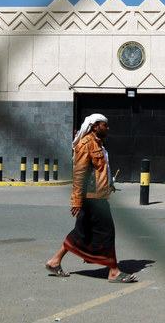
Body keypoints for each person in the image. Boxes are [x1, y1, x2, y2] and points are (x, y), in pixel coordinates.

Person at [45, 113, 137, 283]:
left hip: (98, 195)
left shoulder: (98, 144)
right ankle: (114, 271)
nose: (108, 128)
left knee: (82, 231)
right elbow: (80, 174)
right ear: (95, 126)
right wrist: (76, 201)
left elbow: (100, 170)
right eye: (105, 125)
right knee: (107, 232)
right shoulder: (86, 144)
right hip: (92, 198)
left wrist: (109, 183)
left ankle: (54, 261)